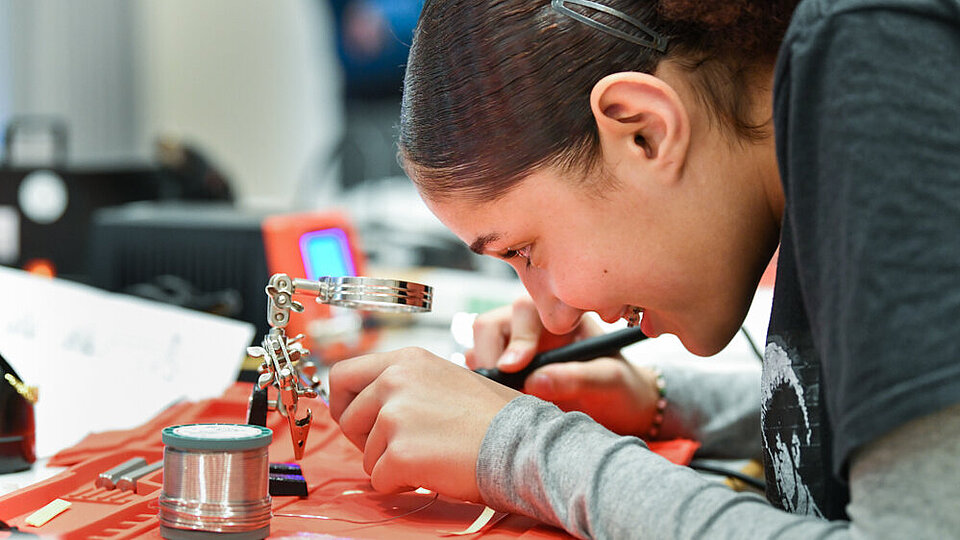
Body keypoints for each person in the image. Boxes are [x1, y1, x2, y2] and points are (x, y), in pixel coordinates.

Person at [327, 0, 960, 537]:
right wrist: (656, 400)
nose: (554, 314)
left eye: (524, 252)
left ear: (645, 133)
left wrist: (522, 449)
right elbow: (883, 429)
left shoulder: (875, 64)